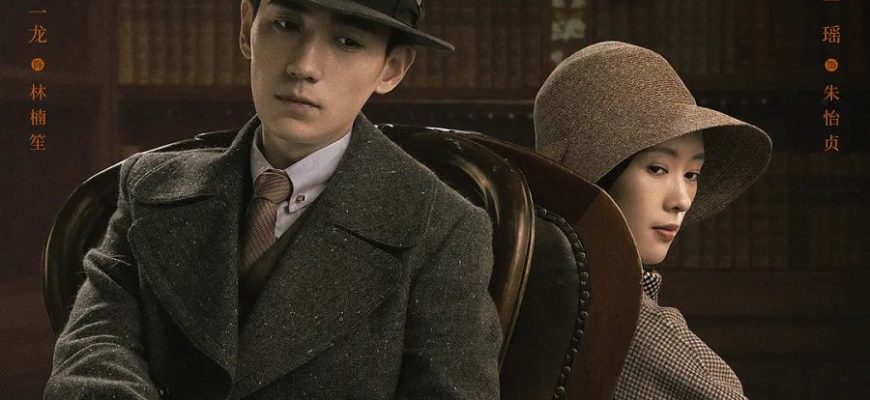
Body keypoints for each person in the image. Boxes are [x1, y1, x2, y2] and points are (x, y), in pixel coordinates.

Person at [45, 1, 502, 399]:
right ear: (248, 27)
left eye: (347, 41)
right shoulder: (151, 188)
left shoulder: (443, 228)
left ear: (392, 68)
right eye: (286, 25)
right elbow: (95, 349)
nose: (304, 66)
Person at [534, 41, 772, 399]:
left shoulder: (524, 280)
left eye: (692, 174)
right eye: (657, 168)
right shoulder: (640, 330)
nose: (681, 200)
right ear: (595, 179)